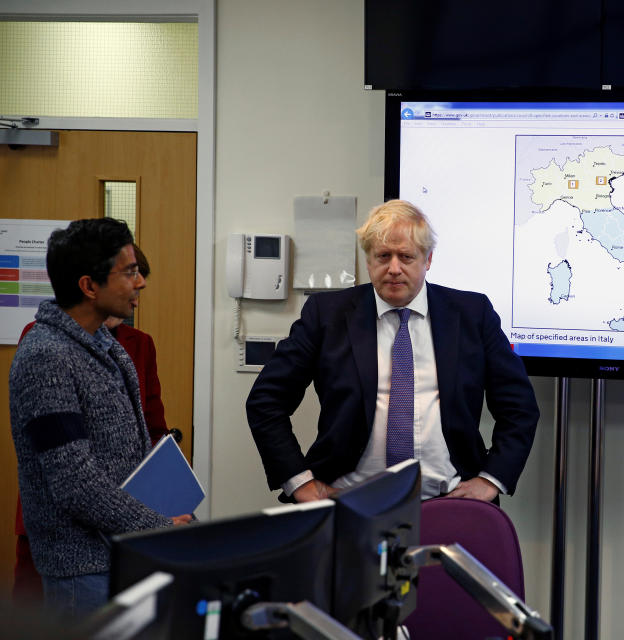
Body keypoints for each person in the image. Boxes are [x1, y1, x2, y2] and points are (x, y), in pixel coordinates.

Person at [247, 199, 540, 504]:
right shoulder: (327, 315)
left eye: (406, 256)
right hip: (347, 501)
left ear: (427, 260)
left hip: (450, 501)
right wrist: (299, 482)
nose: (394, 269)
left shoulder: (471, 314)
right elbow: (266, 400)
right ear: (368, 260)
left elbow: (519, 408)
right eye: (383, 256)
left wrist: (491, 479)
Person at [8, 218, 191, 618]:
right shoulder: (47, 356)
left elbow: (135, 452)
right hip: (82, 569)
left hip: (122, 553)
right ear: (89, 286)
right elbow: (75, 483)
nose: (140, 281)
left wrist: (170, 510)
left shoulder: (104, 345)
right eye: (129, 272)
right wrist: (158, 525)